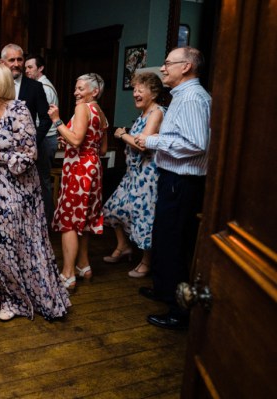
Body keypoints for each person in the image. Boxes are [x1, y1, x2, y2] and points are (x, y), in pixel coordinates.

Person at [0, 64, 70, 322]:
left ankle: (17, 300)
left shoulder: (19, 110)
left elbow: (29, 156)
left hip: (16, 191)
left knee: (8, 244)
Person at [135, 47, 211, 330]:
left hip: (184, 182)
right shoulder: (182, 96)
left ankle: (179, 311)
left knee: (176, 243)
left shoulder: (192, 98)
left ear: (187, 66)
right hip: (173, 178)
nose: (163, 69)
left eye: (168, 64)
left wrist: (152, 141)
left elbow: (196, 144)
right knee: (164, 238)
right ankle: (165, 290)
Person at [48, 73, 108, 290]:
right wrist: (71, 141)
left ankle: (68, 274)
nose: (76, 92)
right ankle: (84, 265)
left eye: (81, 88)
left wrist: (57, 121)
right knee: (84, 219)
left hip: (79, 169)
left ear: (94, 91)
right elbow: (100, 148)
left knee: (70, 220)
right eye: (76, 88)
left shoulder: (82, 109)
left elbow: (76, 139)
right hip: (93, 169)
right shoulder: (100, 112)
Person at [102, 72, 165, 278]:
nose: (135, 93)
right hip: (133, 174)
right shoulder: (143, 114)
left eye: (140, 90)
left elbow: (142, 144)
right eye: (135, 90)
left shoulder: (157, 112)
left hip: (147, 175)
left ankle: (147, 262)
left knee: (144, 217)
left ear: (153, 93)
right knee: (113, 209)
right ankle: (123, 247)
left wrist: (122, 135)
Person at [25, 54, 59, 226]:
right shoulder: (41, 85)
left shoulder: (42, 87)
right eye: (26, 68)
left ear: (40, 68)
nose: (27, 71)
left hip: (45, 138)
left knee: (42, 181)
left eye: (30, 67)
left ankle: (46, 221)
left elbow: (42, 119)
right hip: (45, 137)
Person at [0, 44, 51, 147]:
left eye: (19, 60)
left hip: (26, 151)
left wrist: (33, 142)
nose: (16, 64)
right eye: (12, 60)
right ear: (2, 62)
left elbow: (46, 118)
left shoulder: (35, 87)